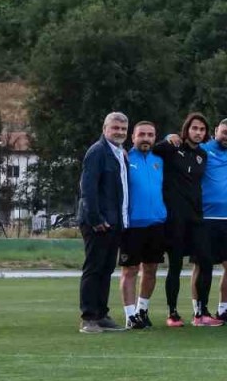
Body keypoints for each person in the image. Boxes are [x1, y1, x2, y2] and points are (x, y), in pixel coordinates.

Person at [78, 112, 130, 334]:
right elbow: (88, 188)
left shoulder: (120, 153)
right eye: (115, 128)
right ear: (105, 128)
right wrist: (96, 219)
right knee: (94, 268)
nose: (119, 132)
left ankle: (101, 314)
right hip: (99, 222)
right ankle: (89, 318)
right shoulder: (97, 152)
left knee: (107, 269)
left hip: (116, 221)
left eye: (123, 129)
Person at [155, 112, 208, 327]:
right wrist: (167, 137)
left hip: (196, 216)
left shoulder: (203, 155)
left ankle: (201, 312)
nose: (198, 132)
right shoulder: (171, 147)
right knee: (175, 265)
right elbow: (153, 149)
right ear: (187, 129)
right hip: (174, 218)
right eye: (194, 128)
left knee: (205, 261)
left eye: (202, 129)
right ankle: (173, 313)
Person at [191, 118, 227, 326]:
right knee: (202, 266)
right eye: (225, 133)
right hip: (203, 218)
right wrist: (171, 137)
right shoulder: (202, 149)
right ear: (215, 131)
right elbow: (180, 145)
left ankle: (223, 309)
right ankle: (198, 312)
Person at [120, 121, 166, 330]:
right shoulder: (125, 158)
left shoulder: (159, 161)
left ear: (155, 138)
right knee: (129, 270)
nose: (146, 138)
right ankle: (129, 315)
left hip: (156, 223)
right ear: (133, 137)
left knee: (151, 269)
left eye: (150, 134)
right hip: (133, 225)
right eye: (142, 134)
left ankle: (142, 310)